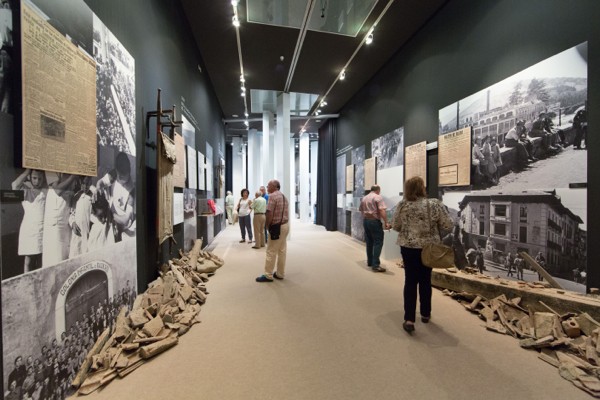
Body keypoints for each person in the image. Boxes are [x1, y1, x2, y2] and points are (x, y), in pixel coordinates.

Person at [392, 176, 453, 333]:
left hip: (408, 247)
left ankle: (409, 319)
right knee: (426, 280)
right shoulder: (434, 204)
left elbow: (396, 226)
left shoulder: (402, 205)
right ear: (422, 188)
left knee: (410, 281)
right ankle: (425, 313)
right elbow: (448, 224)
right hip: (428, 248)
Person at [93, 152, 135, 241]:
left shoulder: (132, 191)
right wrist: (98, 189)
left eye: (122, 177)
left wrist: (111, 214)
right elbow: (100, 183)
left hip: (123, 228)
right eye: (118, 175)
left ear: (129, 171)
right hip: (110, 220)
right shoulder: (115, 174)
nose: (119, 179)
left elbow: (125, 220)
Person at [12, 169, 47, 272]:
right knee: (29, 259)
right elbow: (14, 185)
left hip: (43, 229)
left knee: (41, 259)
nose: (37, 181)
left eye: (40, 178)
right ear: (30, 178)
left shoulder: (46, 191)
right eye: (34, 178)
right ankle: (27, 282)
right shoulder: (26, 191)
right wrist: (29, 170)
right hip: (29, 230)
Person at [256, 179, 289, 282]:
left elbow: (269, 213)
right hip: (285, 226)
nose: (267, 187)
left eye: (268, 186)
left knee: (271, 250)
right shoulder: (283, 196)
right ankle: (280, 273)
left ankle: (268, 275)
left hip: (276, 227)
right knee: (282, 251)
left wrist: (267, 226)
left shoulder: (272, 196)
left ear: (275, 187)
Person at [42, 173, 77, 267]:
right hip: (55, 222)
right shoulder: (52, 168)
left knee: (66, 257)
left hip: (66, 220)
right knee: (55, 259)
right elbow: (58, 191)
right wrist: (74, 176)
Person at [359, 184, 390, 272]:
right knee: (378, 242)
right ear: (378, 190)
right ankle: (376, 265)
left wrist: (366, 218)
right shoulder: (378, 197)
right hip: (374, 222)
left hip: (366, 221)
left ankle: (370, 262)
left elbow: (361, 210)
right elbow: (382, 210)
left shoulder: (364, 198)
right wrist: (386, 222)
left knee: (369, 242)